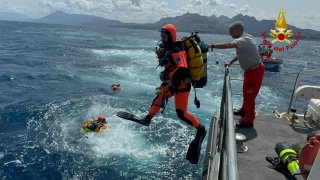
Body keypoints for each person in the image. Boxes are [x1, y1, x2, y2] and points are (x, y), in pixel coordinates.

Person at [140, 24, 206, 145]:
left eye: (164, 36)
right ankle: (147, 119)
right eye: (162, 36)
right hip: (172, 83)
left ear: (171, 36)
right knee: (159, 96)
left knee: (181, 114)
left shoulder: (177, 49)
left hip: (182, 85)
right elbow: (171, 65)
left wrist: (166, 75)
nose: (162, 39)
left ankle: (201, 129)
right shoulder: (168, 48)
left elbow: (183, 69)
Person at [207, 21, 265, 128]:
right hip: (250, 71)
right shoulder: (246, 38)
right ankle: (243, 111)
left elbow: (229, 45)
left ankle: (248, 121)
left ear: (238, 30)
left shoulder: (244, 39)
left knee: (250, 96)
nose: (230, 34)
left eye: (231, 31)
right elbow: (243, 52)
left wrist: (211, 46)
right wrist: (231, 61)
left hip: (255, 71)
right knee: (246, 93)